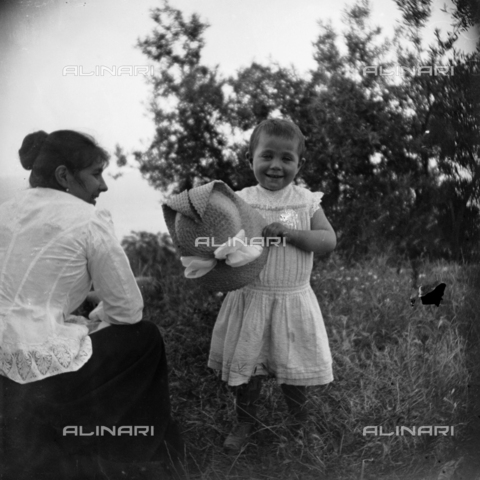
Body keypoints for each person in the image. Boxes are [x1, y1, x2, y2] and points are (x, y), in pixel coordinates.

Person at [0, 130, 184, 479]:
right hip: (39, 373)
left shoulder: (5, 210)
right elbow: (128, 310)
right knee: (144, 337)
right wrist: (94, 319)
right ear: (64, 176)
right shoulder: (87, 219)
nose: (104, 186)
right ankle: (127, 453)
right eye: (96, 174)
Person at [208, 118, 337, 454]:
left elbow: (327, 240)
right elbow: (222, 241)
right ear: (250, 159)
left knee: (292, 370)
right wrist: (223, 250)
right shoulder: (239, 199)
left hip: (292, 299)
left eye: (286, 158)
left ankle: (298, 424)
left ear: (298, 163)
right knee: (249, 371)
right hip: (252, 296)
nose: (276, 166)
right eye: (266, 156)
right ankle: (244, 423)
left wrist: (293, 233)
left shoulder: (305, 202)